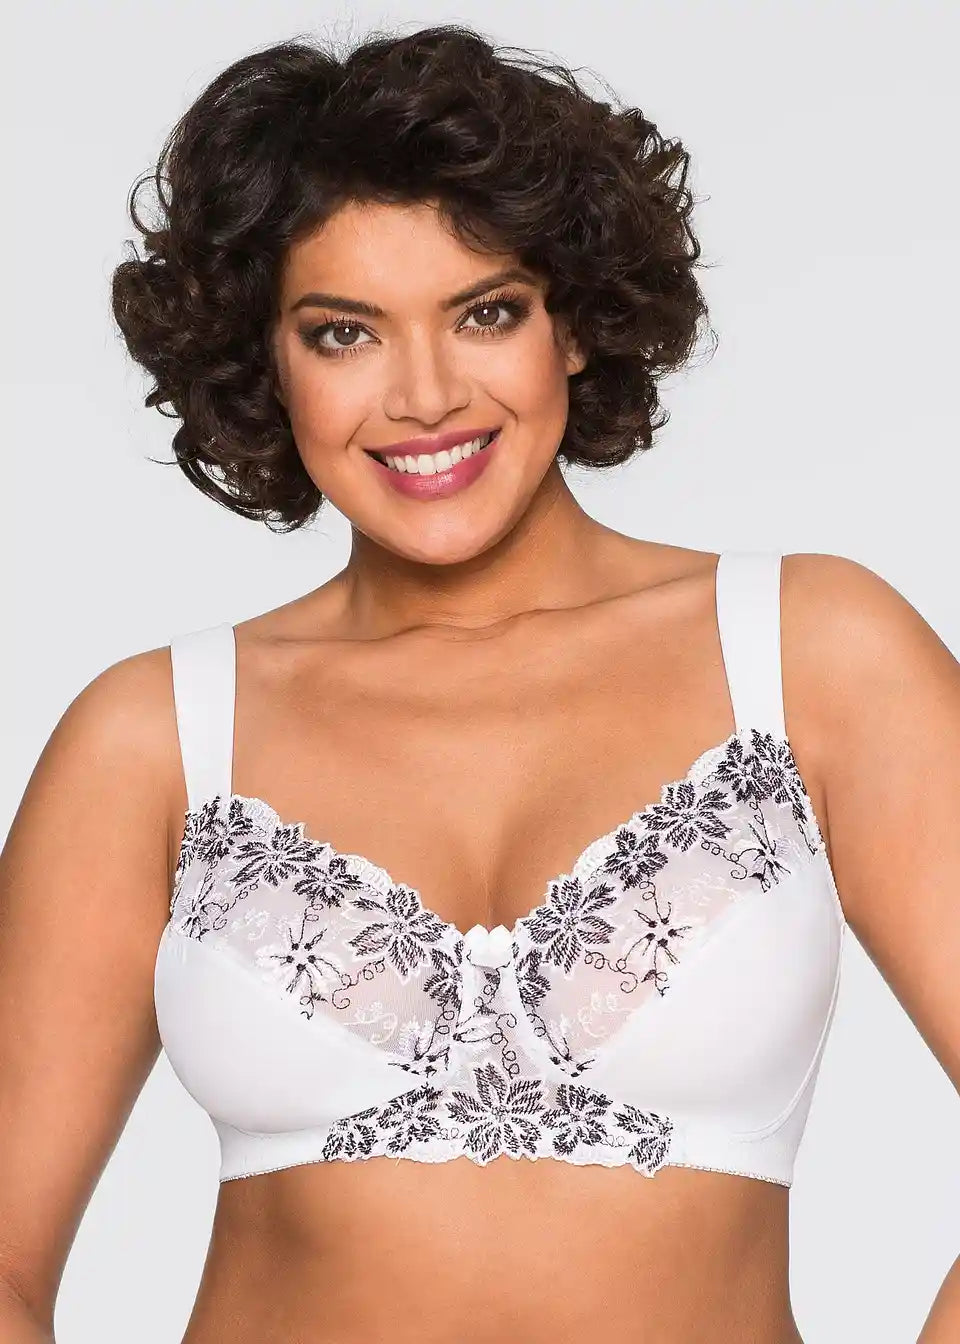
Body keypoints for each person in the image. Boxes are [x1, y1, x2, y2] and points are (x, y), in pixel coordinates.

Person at [1, 22, 958, 1344]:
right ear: (266, 361)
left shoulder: (813, 656)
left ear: (576, 325)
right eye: (344, 333)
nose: (426, 396)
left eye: (486, 313)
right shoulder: (150, 739)